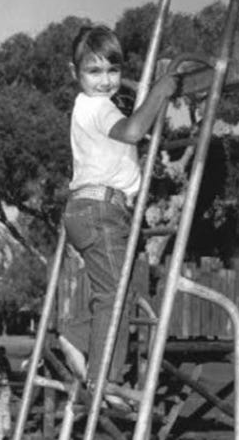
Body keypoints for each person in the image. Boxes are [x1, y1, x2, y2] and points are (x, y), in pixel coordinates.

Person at [60, 24, 177, 394]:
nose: (106, 80)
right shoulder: (96, 107)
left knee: (108, 290)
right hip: (100, 210)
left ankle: (74, 334)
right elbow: (132, 132)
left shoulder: (91, 106)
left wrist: (149, 94)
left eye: (113, 70)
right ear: (74, 73)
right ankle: (101, 379)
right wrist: (161, 91)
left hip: (90, 209)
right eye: (94, 72)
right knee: (115, 295)